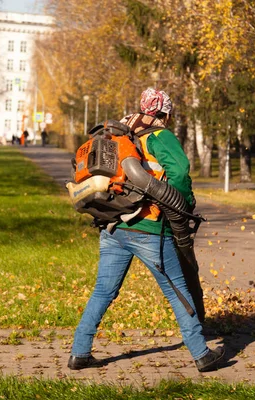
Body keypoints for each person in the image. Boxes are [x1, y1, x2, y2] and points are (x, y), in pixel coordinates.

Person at [68, 88, 224, 372]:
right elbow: (179, 172)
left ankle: (79, 352)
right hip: (148, 227)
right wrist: (185, 205)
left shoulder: (120, 131)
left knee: (103, 292)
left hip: (113, 227)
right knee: (177, 289)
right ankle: (201, 354)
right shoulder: (158, 135)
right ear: (164, 112)